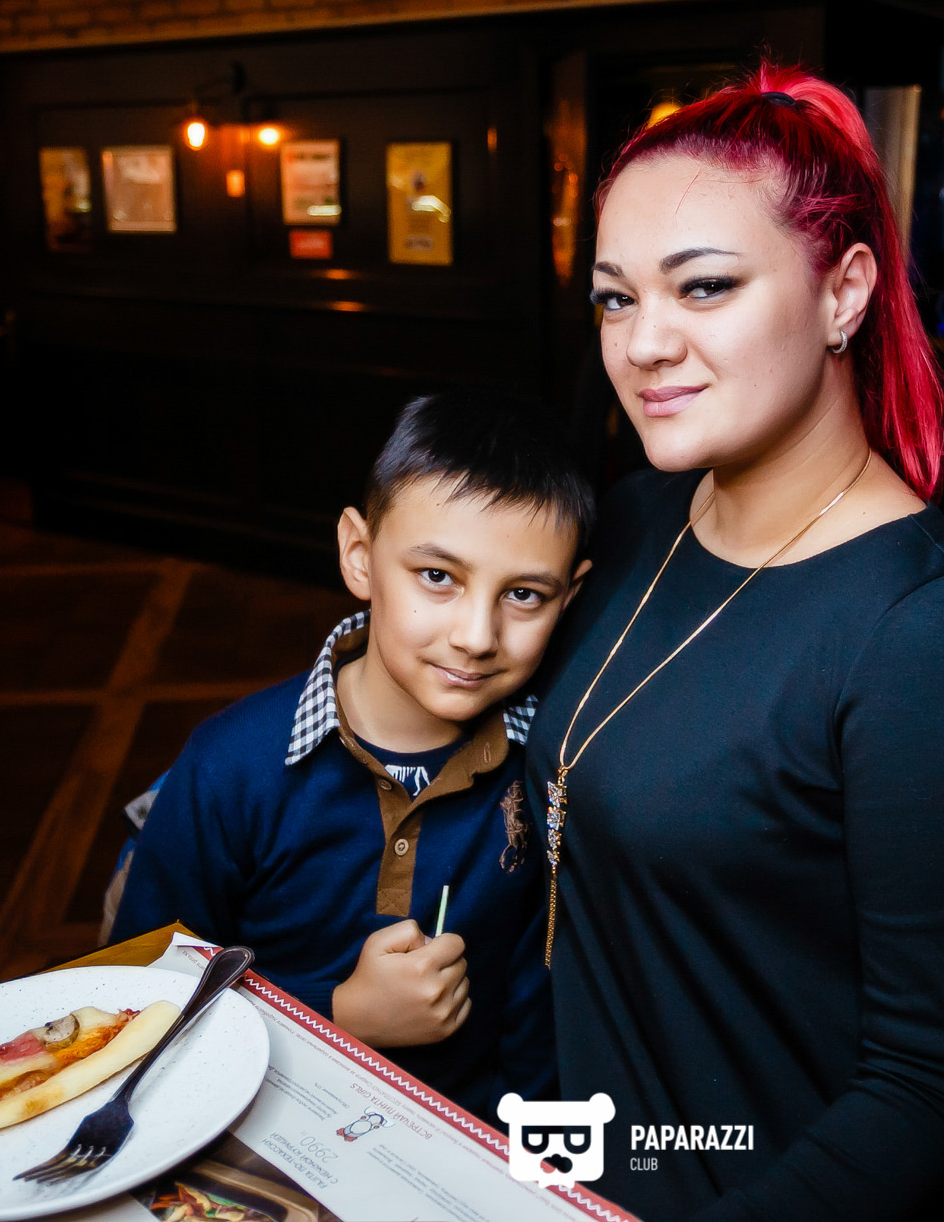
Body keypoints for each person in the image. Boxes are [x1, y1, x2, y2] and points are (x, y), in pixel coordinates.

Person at [527, 67, 944, 1219]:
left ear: (845, 292)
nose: (642, 343)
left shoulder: (919, 641)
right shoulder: (631, 520)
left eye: (704, 286)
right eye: (615, 298)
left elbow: (933, 1090)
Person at [110, 390, 594, 1121]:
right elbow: (142, 995)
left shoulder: (548, 771)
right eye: (438, 576)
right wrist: (339, 1012)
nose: (476, 635)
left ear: (570, 596)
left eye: (524, 594)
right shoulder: (229, 766)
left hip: (459, 1141)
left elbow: (539, 1014)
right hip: (249, 1131)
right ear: (360, 556)